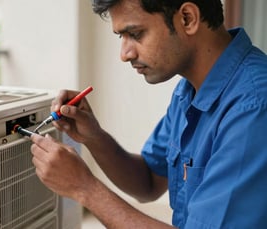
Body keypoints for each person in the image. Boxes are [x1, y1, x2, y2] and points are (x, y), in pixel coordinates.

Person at [30, 0, 267, 228]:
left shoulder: (254, 106)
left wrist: (83, 188)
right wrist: (94, 137)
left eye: (135, 34)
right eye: (120, 37)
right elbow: (148, 182)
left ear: (187, 18)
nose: (124, 54)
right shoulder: (189, 92)